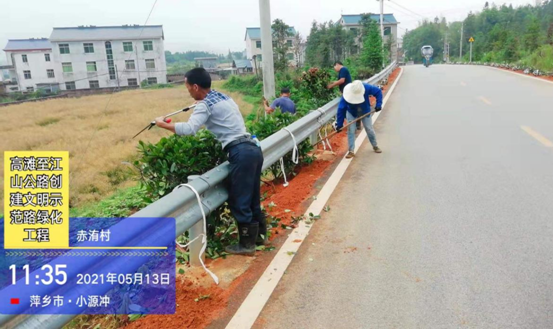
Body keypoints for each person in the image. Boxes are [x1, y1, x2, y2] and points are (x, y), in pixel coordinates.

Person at [154, 67, 267, 256]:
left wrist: (162, 124)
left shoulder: (204, 105)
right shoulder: (223, 97)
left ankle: (247, 245)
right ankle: (260, 237)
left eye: (188, 87)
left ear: (196, 86)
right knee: (252, 197)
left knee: (240, 200)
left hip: (239, 152)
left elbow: (190, 129)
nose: (188, 91)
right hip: (253, 148)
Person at [335, 80, 383, 159]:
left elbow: (378, 92)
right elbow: (341, 108)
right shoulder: (347, 93)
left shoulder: (366, 87)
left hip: (365, 110)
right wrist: (339, 124)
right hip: (351, 112)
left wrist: (379, 104)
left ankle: (375, 146)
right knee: (351, 130)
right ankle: (351, 151)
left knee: (369, 129)